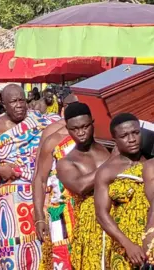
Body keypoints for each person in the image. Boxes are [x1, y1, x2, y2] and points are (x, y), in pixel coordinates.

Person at [0, 84, 60, 269]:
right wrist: (1, 170)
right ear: (4, 104)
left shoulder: (39, 119)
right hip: (10, 197)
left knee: (46, 240)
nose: (19, 105)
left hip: (42, 191)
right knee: (14, 246)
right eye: (13, 102)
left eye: (21, 100)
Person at [56, 103, 111, 269]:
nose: (81, 133)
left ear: (92, 123)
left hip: (122, 216)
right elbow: (80, 186)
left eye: (85, 126)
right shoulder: (66, 162)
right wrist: (114, 163)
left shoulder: (109, 147)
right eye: (75, 129)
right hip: (91, 224)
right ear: (67, 129)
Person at [94, 113, 148, 269]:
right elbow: (101, 214)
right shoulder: (107, 171)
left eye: (136, 133)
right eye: (124, 135)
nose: (132, 139)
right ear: (115, 140)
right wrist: (127, 244)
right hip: (123, 243)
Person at [32, 106, 76, 269]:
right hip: (60, 212)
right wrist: (39, 216)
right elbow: (40, 178)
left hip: (87, 210)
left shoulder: (95, 137)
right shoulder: (53, 139)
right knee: (61, 261)